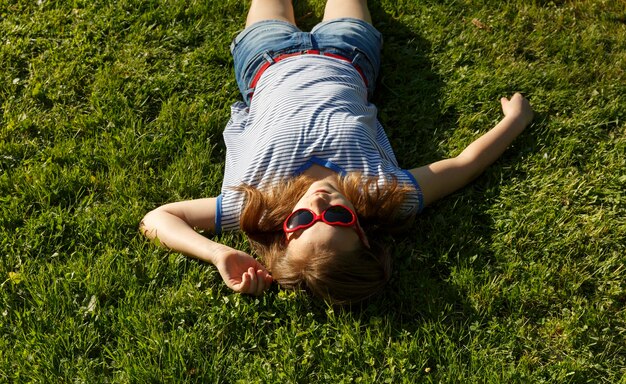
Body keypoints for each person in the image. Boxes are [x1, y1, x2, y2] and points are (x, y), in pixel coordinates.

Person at [140, 0, 533, 304]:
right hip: (350, 54)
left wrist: (217, 253)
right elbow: (464, 165)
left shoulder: (253, 204)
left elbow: (159, 218)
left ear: (284, 236)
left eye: (300, 223)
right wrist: (514, 122)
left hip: (264, 61)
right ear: (361, 233)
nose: (319, 204)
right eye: (335, 217)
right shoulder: (385, 192)